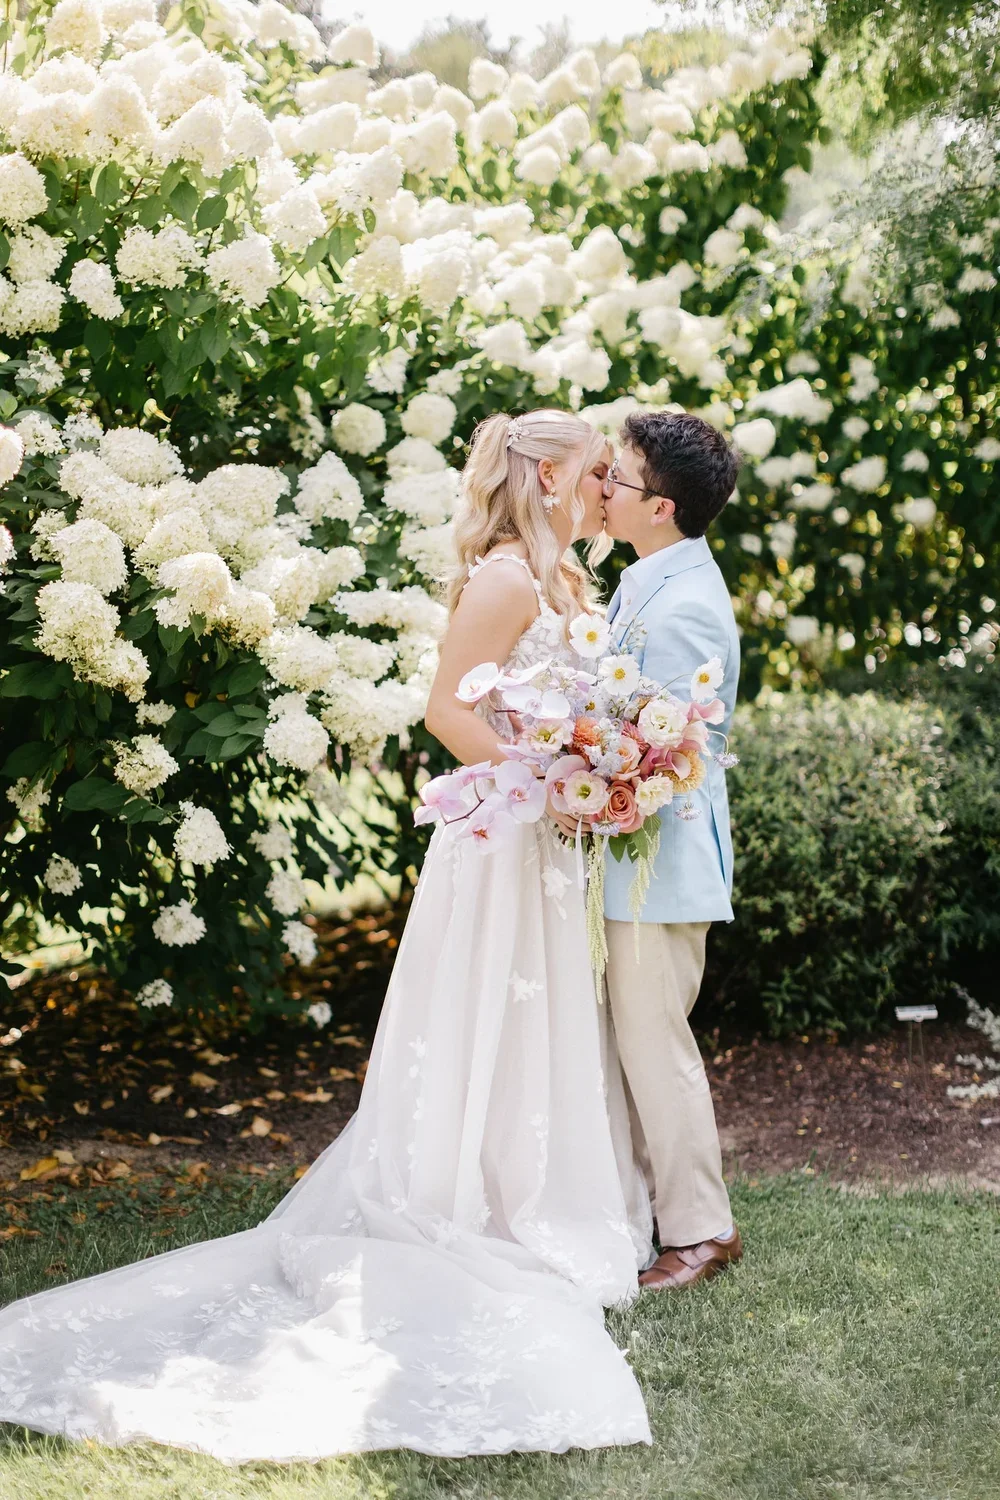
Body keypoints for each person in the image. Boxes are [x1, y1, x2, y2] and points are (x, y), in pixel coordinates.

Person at [0, 409, 657, 1464]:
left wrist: (592, 771)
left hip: (539, 834)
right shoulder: (503, 579)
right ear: (543, 476)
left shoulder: (558, 583)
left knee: (535, 1016)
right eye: (591, 472)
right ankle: (469, 1198)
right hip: (502, 836)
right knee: (491, 1005)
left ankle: (534, 1187)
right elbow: (448, 711)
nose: (603, 488)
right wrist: (549, 784)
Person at [600, 410, 744, 1291]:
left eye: (617, 479)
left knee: (657, 1043)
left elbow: (667, 752)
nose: (603, 489)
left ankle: (702, 1230)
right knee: (636, 1041)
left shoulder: (686, 605)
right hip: (627, 857)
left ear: (660, 506)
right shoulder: (646, 577)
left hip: (661, 865)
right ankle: (655, 1207)